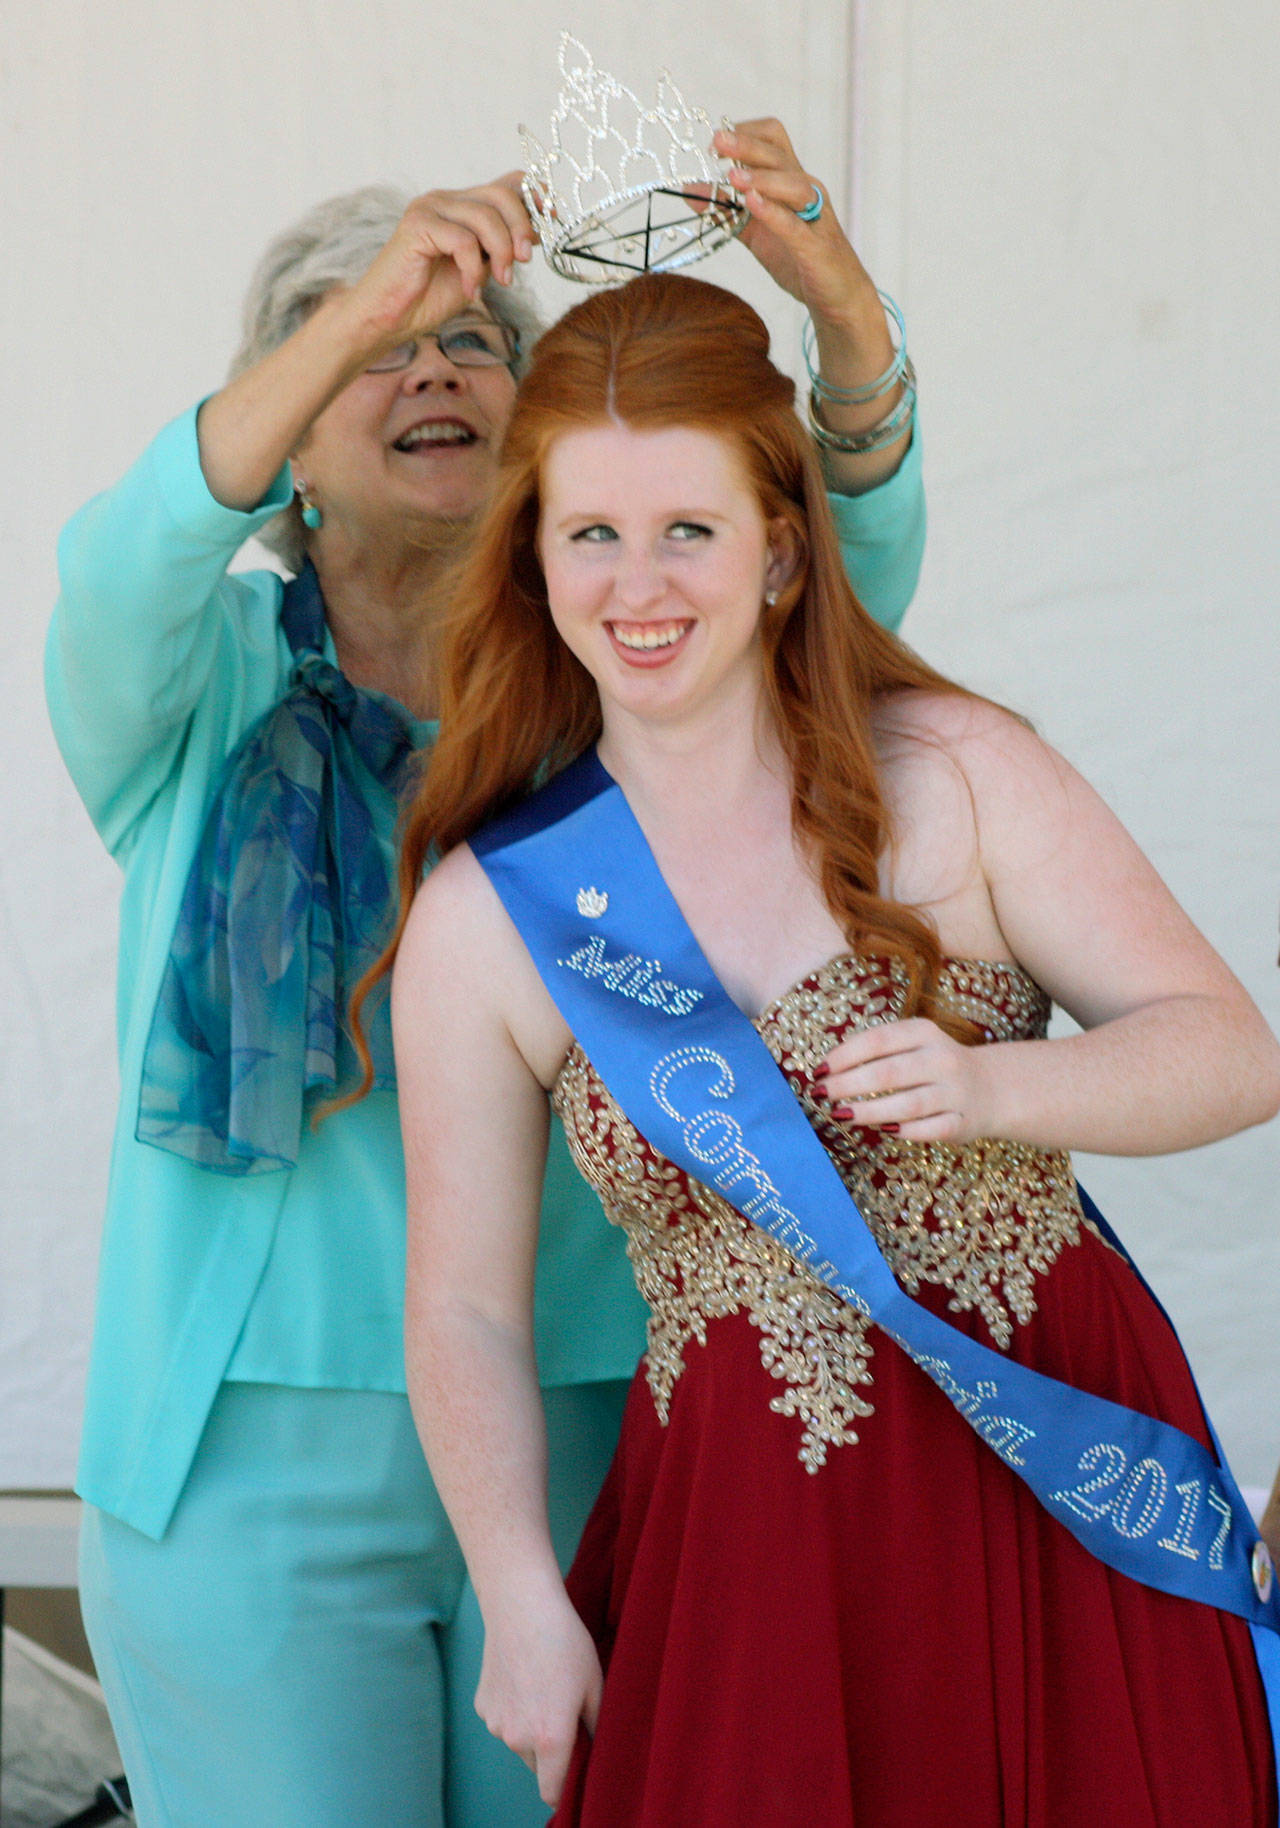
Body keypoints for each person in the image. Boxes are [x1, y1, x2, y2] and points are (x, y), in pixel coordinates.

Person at [46, 124, 925, 1828]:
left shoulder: (635, 679)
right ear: (286, 443)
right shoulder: (193, 688)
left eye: (471, 342)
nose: (434, 364)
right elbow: (125, 556)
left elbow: (843, 583)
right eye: (381, 345)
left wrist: (850, 326)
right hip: (241, 1458)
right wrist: (371, 296)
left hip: (588, 1407)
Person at [386, 271, 1280, 1826]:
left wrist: (997, 1085)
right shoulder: (488, 917)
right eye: (590, 533)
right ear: (531, 556)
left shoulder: (961, 776)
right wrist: (518, 1591)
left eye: (690, 528)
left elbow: (1229, 1051)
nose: (638, 583)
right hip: (752, 1541)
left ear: (784, 549)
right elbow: (461, 1307)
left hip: (1057, 1484)